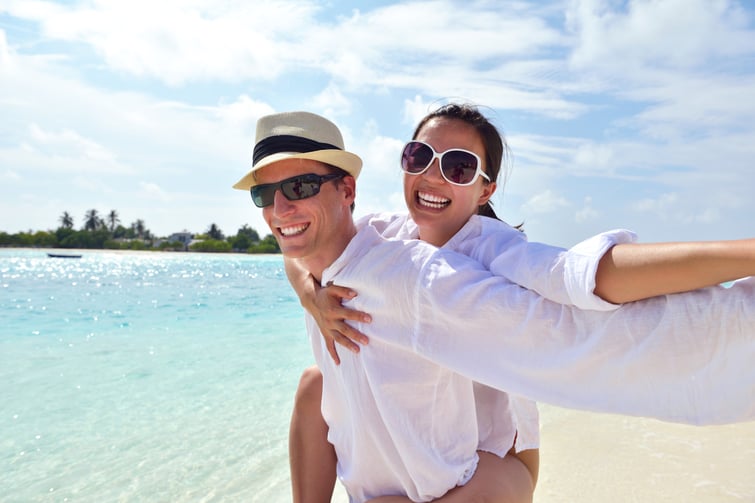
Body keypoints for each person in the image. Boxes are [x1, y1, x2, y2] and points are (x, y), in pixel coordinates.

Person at [233, 110, 755, 503]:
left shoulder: (488, 252)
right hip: (440, 442)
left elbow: (586, 277)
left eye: (458, 167)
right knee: (314, 385)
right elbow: (307, 247)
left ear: (485, 189)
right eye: (420, 157)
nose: (434, 177)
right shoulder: (384, 235)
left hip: (496, 459)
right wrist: (312, 296)